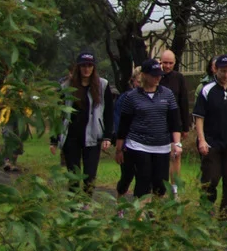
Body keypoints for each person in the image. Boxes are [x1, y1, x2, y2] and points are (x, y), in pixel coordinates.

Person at [114, 58, 183, 198]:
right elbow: (124, 124)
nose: (158, 78)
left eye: (159, 75)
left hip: (162, 144)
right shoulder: (131, 97)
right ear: (144, 75)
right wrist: (119, 149)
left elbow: (174, 121)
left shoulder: (167, 94)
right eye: (154, 75)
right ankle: (140, 214)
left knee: (160, 183)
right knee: (143, 180)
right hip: (138, 144)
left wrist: (177, 143)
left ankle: (155, 214)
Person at [49, 51, 116, 192]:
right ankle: (73, 210)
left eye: (90, 66)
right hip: (72, 136)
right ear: (78, 67)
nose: (87, 69)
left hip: (93, 136)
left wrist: (108, 136)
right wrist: (54, 140)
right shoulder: (67, 86)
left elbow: (109, 112)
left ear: (94, 68)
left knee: (90, 176)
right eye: (83, 66)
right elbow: (58, 113)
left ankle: (85, 206)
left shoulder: (102, 85)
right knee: (73, 176)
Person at [193, 55, 227, 220]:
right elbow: (199, 117)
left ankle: (225, 211)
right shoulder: (207, 90)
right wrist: (202, 140)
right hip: (212, 142)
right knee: (212, 177)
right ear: (216, 70)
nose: (225, 75)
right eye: (223, 71)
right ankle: (206, 208)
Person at [158, 50, 191, 196]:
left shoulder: (179, 78)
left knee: (176, 155)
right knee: (162, 156)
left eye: (170, 63)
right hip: (158, 122)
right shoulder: (156, 77)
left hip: (175, 123)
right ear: (160, 62)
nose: (167, 66)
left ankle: (175, 187)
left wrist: (185, 126)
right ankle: (160, 185)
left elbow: (184, 102)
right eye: (165, 63)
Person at [112, 69, 142, 197]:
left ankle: (141, 210)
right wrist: (120, 145)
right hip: (128, 144)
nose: (141, 84)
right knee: (127, 176)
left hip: (145, 144)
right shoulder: (125, 98)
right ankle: (120, 204)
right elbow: (118, 121)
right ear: (133, 81)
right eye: (139, 81)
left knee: (144, 178)